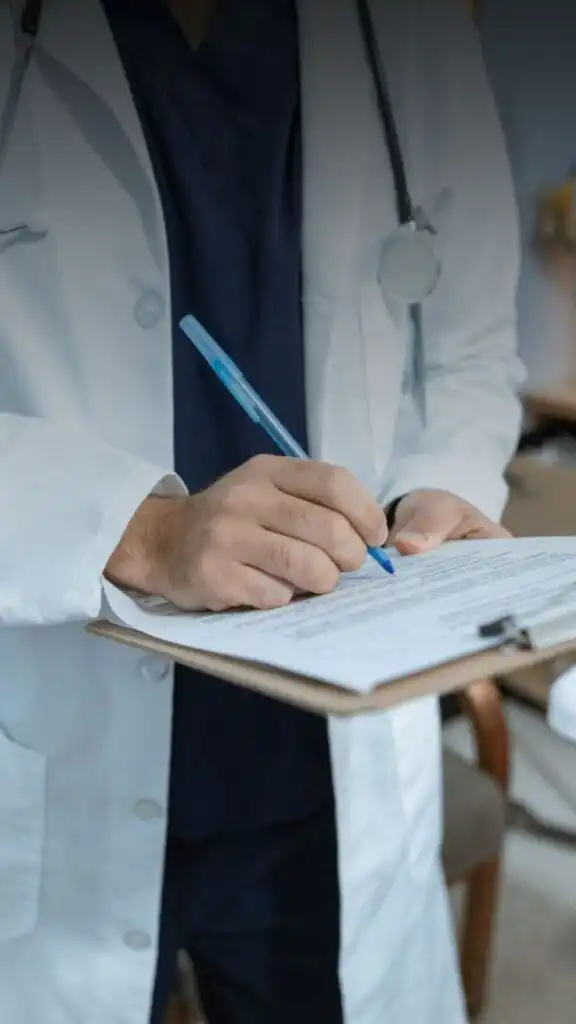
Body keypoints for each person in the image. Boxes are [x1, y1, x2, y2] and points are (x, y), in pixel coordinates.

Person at [0, 1, 523, 1022]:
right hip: (53, 736)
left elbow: (469, 345)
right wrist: (140, 531)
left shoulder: (408, 29)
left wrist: (440, 486)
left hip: (327, 776)